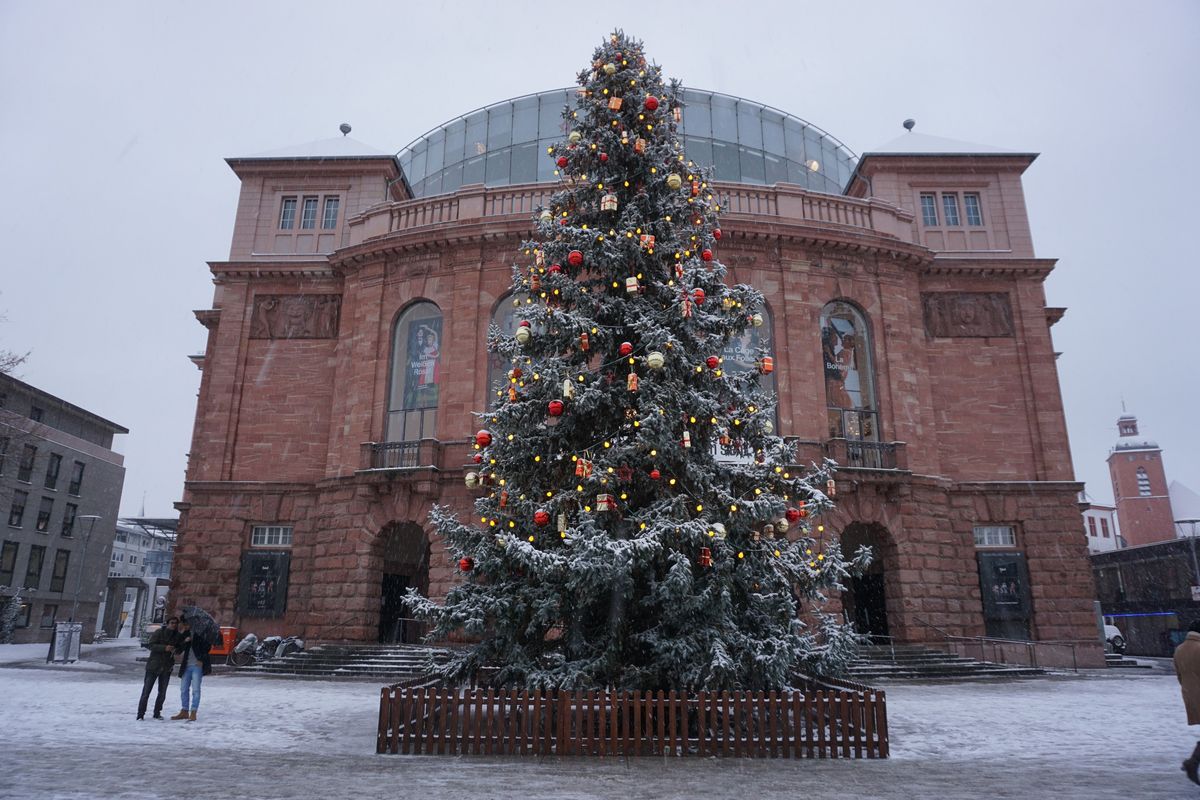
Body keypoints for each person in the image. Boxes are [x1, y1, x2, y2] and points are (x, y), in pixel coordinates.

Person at [170, 617, 212, 721]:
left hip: (197, 665)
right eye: (184, 624)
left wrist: (201, 659)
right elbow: (178, 649)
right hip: (186, 665)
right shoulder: (186, 634)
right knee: (183, 689)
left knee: (196, 689)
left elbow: (207, 648)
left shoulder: (201, 634)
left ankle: (193, 711)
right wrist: (185, 640)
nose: (185, 626)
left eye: (186, 624)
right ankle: (184, 711)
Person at [136, 616, 178, 720]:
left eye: (176, 623)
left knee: (162, 692)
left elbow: (179, 648)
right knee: (146, 691)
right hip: (154, 666)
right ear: (167, 623)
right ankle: (141, 714)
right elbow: (151, 645)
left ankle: (157, 712)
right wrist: (164, 648)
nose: (174, 625)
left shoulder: (176, 636)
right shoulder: (159, 632)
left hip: (166, 666)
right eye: (172, 623)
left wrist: (176, 649)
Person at [1175, 619, 1200, 784]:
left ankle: (1193, 762)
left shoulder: (1179, 649)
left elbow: (1179, 676)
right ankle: (1192, 763)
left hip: (1191, 696)